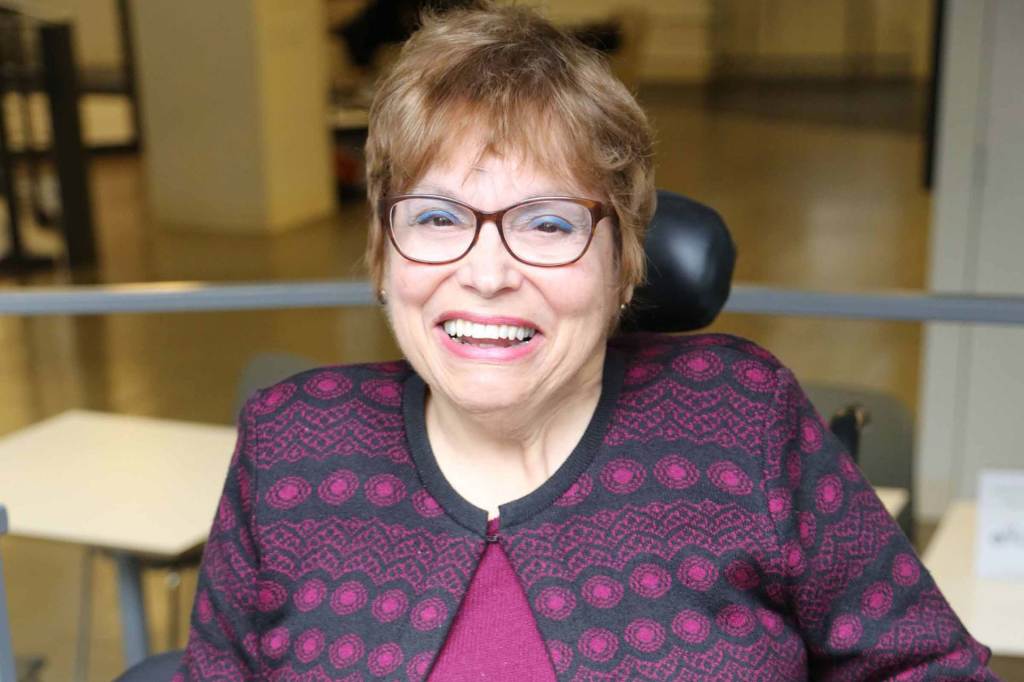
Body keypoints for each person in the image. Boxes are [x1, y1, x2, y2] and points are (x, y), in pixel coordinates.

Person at [175, 4, 997, 680]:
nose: (486, 273)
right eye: (436, 217)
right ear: (384, 252)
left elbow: (930, 667)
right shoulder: (291, 446)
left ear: (623, 263)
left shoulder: (740, 416)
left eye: (547, 223)